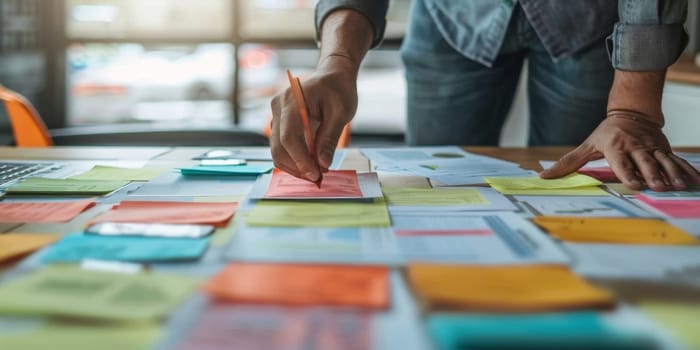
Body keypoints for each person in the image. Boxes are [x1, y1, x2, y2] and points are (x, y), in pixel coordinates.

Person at [270, 0, 700, 191]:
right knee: (432, 188)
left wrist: (633, 110)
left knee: (577, 195)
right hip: (451, 16)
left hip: (590, 21)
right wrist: (337, 63)